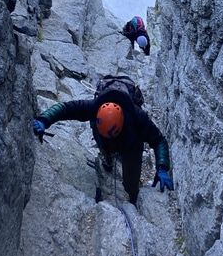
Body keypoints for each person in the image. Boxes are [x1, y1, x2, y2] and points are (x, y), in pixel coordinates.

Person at [32, 80, 172, 205]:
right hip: (103, 137)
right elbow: (66, 108)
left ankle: (133, 196)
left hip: (131, 144)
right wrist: (45, 119)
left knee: (131, 180)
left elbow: (158, 140)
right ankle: (108, 158)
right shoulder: (94, 107)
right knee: (105, 145)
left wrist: (162, 167)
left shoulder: (137, 117)